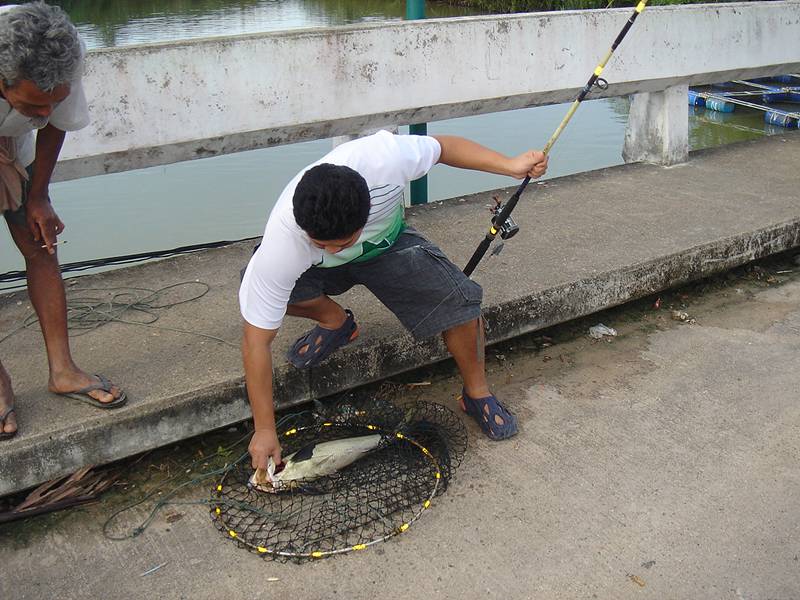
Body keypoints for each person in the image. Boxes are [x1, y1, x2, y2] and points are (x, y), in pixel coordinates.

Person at [239, 131, 548, 469]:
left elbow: (444, 148)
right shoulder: (285, 242)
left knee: (460, 303)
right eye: (320, 241)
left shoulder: (385, 159)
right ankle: (336, 321)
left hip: (387, 247)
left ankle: (476, 393)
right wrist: (265, 428)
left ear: (365, 212)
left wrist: (510, 165)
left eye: (340, 242)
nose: (330, 248)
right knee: (255, 289)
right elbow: (256, 340)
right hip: (313, 269)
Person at [0, 2, 126, 441]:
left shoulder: (62, 57)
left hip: (11, 150)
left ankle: (63, 370)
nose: (41, 114)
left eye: (51, 101)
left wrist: (38, 196)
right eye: (32, 104)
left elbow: (55, 123)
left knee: (41, 244)